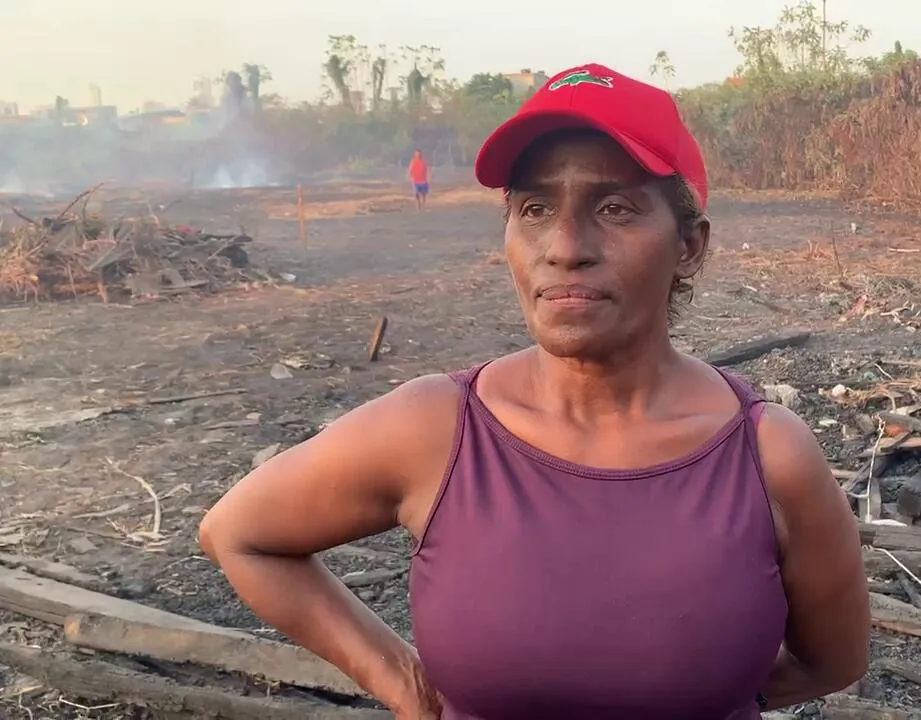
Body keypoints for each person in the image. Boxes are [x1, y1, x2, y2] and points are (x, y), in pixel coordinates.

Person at [199, 63, 870, 720]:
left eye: (614, 207)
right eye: (534, 207)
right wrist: (408, 687)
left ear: (689, 247)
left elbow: (830, 662)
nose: (565, 246)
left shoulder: (767, 457)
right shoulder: (435, 431)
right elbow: (240, 534)